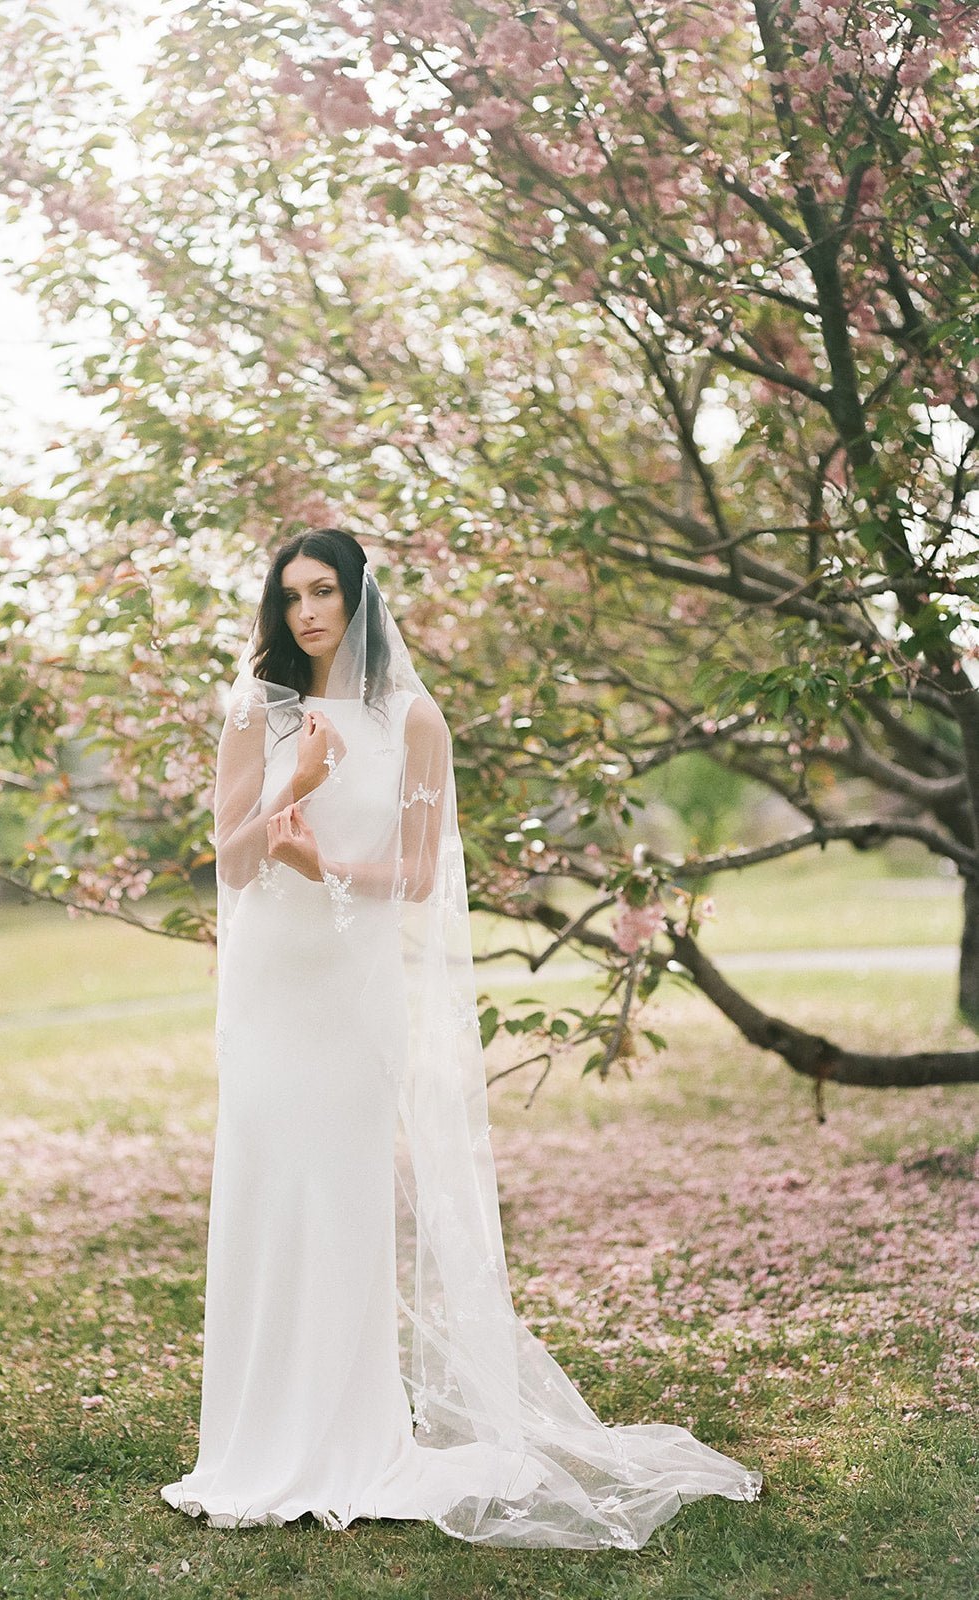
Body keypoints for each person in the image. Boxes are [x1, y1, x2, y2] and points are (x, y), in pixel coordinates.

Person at [160, 528, 762, 1546]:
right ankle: (253, 1438)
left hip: (351, 995)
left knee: (340, 1202)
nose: (307, 611)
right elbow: (223, 859)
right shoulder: (252, 710)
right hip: (266, 995)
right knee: (265, 1191)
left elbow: (422, 878)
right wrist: (295, 785)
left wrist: (326, 873)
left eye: (325, 591)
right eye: (290, 593)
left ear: (360, 598)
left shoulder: (414, 719)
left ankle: (350, 1436)